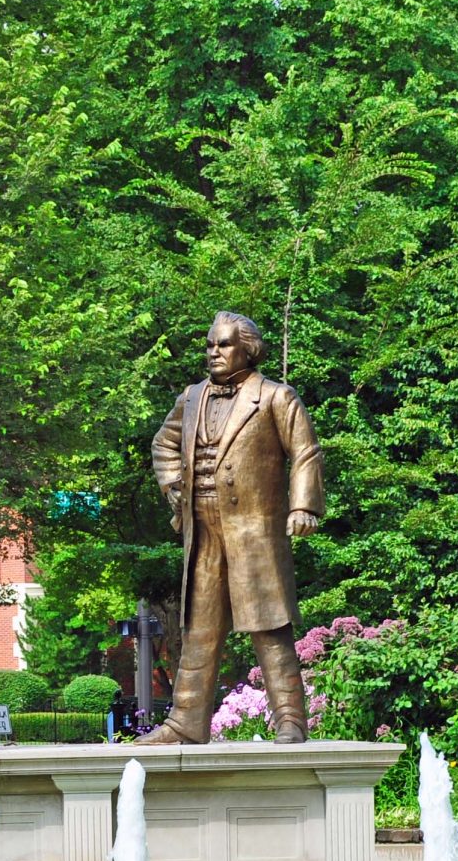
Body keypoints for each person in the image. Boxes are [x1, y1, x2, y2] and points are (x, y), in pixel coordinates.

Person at [138, 311, 325, 745]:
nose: (214, 352)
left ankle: (291, 720)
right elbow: (164, 443)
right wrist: (172, 485)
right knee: (199, 628)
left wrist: (303, 506)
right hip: (202, 530)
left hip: (253, 530)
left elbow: (306, 452)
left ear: (248, 349)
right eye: (210, 345)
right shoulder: (191, 397)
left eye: (223, 344)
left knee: (269, 625)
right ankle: (186, 721)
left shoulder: (275, 397)